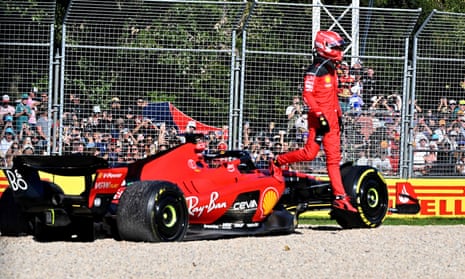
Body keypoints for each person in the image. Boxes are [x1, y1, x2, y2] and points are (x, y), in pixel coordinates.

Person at [273, 30, 357, 212]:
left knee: (334, 160)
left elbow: (333, 96)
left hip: (333, 120)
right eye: (337, 48)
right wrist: (319, 116)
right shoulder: (315, 70)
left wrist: (339, 116)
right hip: (320, 120)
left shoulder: (332, 68)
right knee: (310, 154)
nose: (341, 51)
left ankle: (340, 197)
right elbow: (307, 95)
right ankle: (278, 161)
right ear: (324, 47)